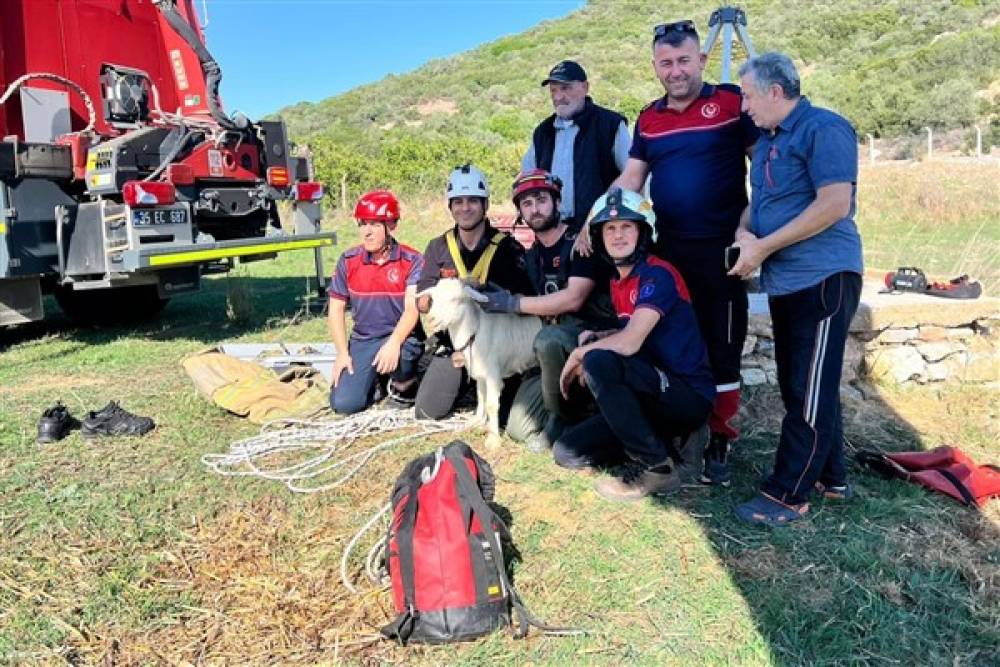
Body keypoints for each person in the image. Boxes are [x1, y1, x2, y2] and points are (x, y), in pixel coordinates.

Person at [579, 20, 759, 487]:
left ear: (700, 60)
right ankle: (677, 425)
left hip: (722, 250)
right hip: (670, 248)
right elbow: (632, 179)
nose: (675, 71)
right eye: (666, 63)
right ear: (656, 67)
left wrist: (749, 225)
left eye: (684, 60)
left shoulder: (732, 103)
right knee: (667, 339)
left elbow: (767, 168)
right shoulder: (649, 118)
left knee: (723, 345)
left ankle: (719, 436)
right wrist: (591, 218)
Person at [728, 52, 863, 526]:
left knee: (807, 387)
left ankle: (787, 493)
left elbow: (833, 204)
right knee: (803, 383)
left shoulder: (824, 129)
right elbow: (760, 205)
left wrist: (762, 246)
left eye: (746, 95)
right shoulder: (766, 143)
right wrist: (746, 234)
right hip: (787, 281)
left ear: (775, 92)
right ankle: (833, 477)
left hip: (824, 275)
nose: (743, 106)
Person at [555, 188, 715, 502]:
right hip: (648, 391)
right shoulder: (618, 281)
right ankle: (664, 445)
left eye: (627, 226)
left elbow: (630, 342)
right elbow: (631, 329)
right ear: (599, 237)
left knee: (598, 362)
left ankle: (658, 468)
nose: (618, 235)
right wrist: (598, 338)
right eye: (610, 228)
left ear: (643, 231)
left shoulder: (657, 275)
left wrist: (580, 353)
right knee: (567, 453)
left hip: (685, 393)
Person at [477, 169, 617, 451]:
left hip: (592, 335)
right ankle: (578, 411)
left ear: (556, 201)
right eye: (526, 204)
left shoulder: (580, 242)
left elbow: (574, 299)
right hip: (556, 344)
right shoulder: (532, 256)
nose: (535, 209)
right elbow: (529, 297)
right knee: (518, 426)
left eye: (541, 199)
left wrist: (513, 303)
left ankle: (561, 418)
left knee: (548, 338)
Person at [414, 164, 536, 420]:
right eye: (457, 202)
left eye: (472, 201)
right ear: (450, 207)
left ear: (485, 205)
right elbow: (423, 300)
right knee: (428, 410)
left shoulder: (507, 248)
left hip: (499, 347)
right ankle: (465, 387)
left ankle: (498, 388)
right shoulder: (439, 247)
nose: (465, 208)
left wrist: (486, 291)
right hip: (454, 343)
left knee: (504, 415)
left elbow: (526, 299)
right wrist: (438, 298)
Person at [328, 190, 424, 414]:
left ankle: (405, 384)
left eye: (374, 224)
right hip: (364, 339)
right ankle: (377, 382)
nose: (366, 232)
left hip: (401, 337)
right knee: (344, 404)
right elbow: (336, 309)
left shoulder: (412, 260)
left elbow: (412, 309)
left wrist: (393, 343)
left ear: (391, 225)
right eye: (362, 224)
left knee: (404, 359)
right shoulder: (348, 261)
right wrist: (342, 353)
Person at [522, 60, 630, 226]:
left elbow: (633, 176)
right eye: (553, 90)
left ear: (585, 87)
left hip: (602, 230)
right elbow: (527, 181)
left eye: (565, 88)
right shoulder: (542, 133)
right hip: (554, 233)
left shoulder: (610, 125)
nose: (558, 97)